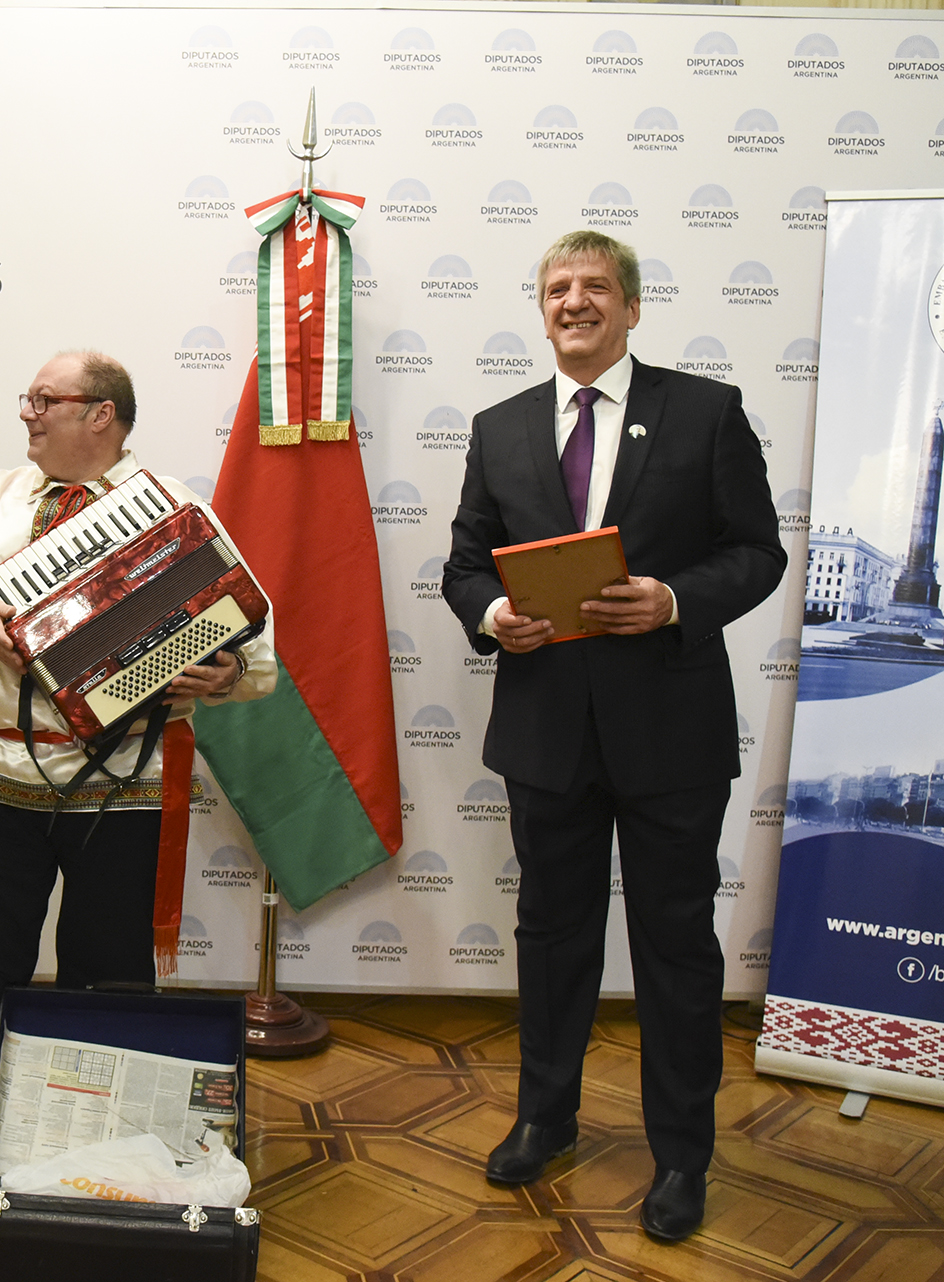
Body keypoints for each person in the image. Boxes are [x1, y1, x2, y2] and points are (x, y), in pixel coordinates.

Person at [442, 231, 785, 1242]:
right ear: (540, 310)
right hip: (547, 733)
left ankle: (683, 1156)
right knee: (553, 937)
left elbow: (758, 552)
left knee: (675, 944)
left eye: (596, 287)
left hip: (671, 733)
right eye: (558, 288)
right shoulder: (499, 427)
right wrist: (495, 617)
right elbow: (466, 566)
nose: (575, 301)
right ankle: (545, 1117)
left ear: (633, 308)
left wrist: (675, 598)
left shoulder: (706, 412)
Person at [0, 351, 276, 1214]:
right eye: (28, 398)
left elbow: (253, 644)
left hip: (121, 783)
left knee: (108, 969)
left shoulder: (171, 509)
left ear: (101, 415)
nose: (26, 414)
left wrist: (222, 674)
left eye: (44, 400)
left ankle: (98, 1148)